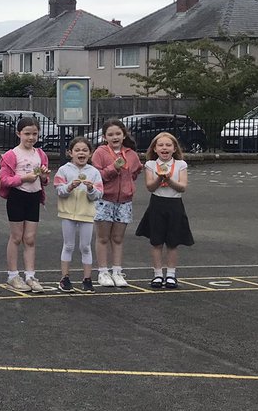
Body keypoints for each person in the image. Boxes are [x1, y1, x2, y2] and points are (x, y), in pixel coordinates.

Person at [0, 117, 50, 293]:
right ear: (18, 133)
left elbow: (45, 179)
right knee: (16, 237)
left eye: (34, 134)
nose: (31, 137)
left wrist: (43, 176)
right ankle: (13, 275)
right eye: (27, 133)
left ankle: (30, 275)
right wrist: (23, 178)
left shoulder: (41, 154)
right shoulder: (11, 155)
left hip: (34, 197)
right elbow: (3, 180)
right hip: (17, 197)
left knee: (30, 238)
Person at [136, 132, 194, 289]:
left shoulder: (181, 164)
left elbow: (182, 187)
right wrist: (159, 178)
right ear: (155, 148)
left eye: (168, 145)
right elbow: (150, 187)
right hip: (157, 204)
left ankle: (171, 275)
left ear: (174, 148)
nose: (164, 148)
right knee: (156, 241)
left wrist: (169, 180)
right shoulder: (151, 165)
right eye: (161, 145)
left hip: (175, 204)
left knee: (173, 242)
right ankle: (157, 274)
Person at [91, 119, 143, 288]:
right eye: (110, 134)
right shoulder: (100, 153)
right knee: (103, 237)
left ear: (124, 134)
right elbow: (97, 175)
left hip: (124, 201)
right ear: (104, 137)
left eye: (118, 134)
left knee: (118, 238)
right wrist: (114, 168)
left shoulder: (131, 154)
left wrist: (129, 186)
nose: (115, 137)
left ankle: (117, 271)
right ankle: (103, 272)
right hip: (104, 200)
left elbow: (135, 172)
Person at [54, 137, 104, 293]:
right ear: (70, 153)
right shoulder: (64, 170)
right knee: (68, 245)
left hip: (86, 214)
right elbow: (59, 191)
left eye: (84, 150)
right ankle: (65, 278)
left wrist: (90, 189)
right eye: (77, 150)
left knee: (85, 247)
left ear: (90, 153)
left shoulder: (94, 172)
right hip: (68, 213)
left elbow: (98, 195)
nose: (81, 153)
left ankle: (87, 279)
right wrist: (70, 186)